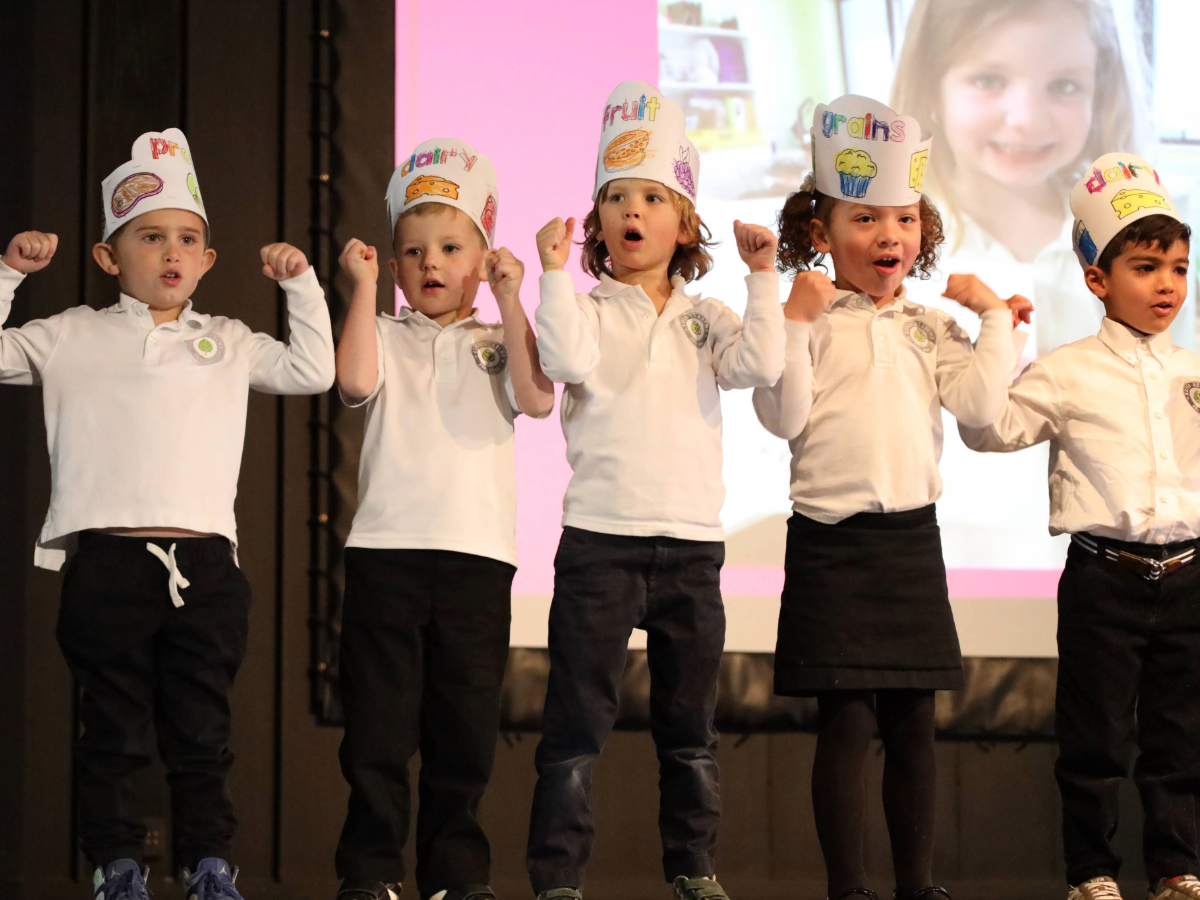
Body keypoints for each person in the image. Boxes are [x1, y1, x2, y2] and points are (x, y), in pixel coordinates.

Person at [0, 128, 335, 900]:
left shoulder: (227, 340)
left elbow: (314, 371)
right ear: (110, 257)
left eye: (188, 239)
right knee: (112, 734)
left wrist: (300, 284)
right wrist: (11, 274)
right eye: (151, 238)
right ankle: (116, 866)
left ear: (209, 260)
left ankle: (210, 865)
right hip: (109, 561)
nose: (172, 253)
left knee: (202, 735)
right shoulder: (71, 334)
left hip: (207, 568)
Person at [753, 95, 1028, 900]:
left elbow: (979, 411)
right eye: (866, 219)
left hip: (911, 540)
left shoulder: (930, 325)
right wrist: (794, 323)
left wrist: (990, 318)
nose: (889, 237)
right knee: (844, 724)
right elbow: (783, 417)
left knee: (914, 722)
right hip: (830, 541)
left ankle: (917, 885)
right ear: (820, 231)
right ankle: (849, 889)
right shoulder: (809, 316)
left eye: (904, 220)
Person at [525, 80, 785, 900]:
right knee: (575, 725)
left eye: (651, 197)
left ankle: (694, 869)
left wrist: (765, 275)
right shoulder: (590, 308)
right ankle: (559, 878)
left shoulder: (707, 316)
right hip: (601, 542)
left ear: (684, 223)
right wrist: (552, 271)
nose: (632, 211)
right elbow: (562, 360)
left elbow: (761, 368)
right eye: (615, 198)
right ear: (597, 222)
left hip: (690, 549)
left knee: (689, 730)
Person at [959, 153, 1199, 900]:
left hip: (1190, 576)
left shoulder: (1194, 372)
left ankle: (1176, 867)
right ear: (1098, 279)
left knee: (1181, 739)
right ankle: (1092, 872)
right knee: (1096, 740)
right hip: (1106, 576)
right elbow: (988, 429)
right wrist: (999, 331)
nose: (1167, 284)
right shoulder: (1068, 371)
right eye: (1146, 266)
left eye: (1180, 268)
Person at [331, 138, 553, 900]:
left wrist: (513, 298)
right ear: (394, 266)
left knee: (462, 734)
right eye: (413, 252)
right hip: (386, 556)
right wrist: (361, 291)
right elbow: (353, 383)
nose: (432, 264)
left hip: (476, 560)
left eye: (453, 248)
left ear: (482, 258)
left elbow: (536, 398)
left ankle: (455, 878)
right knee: (378, 732)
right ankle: (370, 873)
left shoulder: (498, 339)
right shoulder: (386, 334)